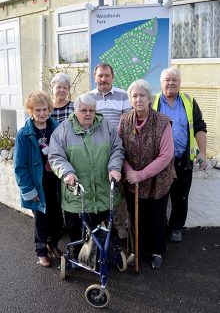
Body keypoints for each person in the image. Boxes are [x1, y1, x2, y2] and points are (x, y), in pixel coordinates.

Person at [48, 93, 124, 251]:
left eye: (92, 110)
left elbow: (117, 148)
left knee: (102, 229)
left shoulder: (106, 125)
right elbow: (55, 156)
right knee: (76, 230)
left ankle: (100, 256)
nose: (88, 114)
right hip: (77, 191)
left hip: (102, 189)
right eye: (84, 110)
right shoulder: (63, 129)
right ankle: (79, 256)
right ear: (75, 111)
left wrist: (115, 168)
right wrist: (67, 172)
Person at [119, 79, 175, 269]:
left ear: (149, 98)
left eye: (142, 95)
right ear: (130, 100)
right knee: (136, 217)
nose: (139, 99)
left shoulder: (162, 121)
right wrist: (129, 172)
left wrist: (140, 175)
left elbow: (166, 155)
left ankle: (157, 251)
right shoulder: (125, 120)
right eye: (134, 96)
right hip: (132, 179)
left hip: (158, 179)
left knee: (156, 217)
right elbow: (120, 150)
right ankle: (137, 250)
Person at [153, 67, 207, 242]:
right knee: (159, 197)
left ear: (180, 82)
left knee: (181, 197)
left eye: (174, 80)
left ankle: (176, 227)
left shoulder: (189, 101)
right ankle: (160, 228)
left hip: (183, 160)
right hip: (159, 161)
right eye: (167, 80)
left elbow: (199, 127)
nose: (171, 83)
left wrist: (203, 152)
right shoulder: (152, 102)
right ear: (161, 83)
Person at [14, 91, 63, 268]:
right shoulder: (24, 134)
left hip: (55, 182)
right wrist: (29, 191)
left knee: (57, 218)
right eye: (37, 110)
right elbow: (20, 167)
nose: (42, 114)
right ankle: (41, 251)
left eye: (44, 109)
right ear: (31, 111)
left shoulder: (56, 127)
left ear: (49, 109)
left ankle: (53, 244)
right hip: (37, 185)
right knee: (41, 220)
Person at [89, 63, 131, 239]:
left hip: (117, 151)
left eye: (107, 75)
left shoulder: (123, 96)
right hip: (94, 154)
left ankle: (121, 227)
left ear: (113, 77)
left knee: (118, 191)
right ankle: (100, 226)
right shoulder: (88, 97)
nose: (103, 79)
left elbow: (129, 123)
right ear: (95, 78)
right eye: (100, 76)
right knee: (98, 189)